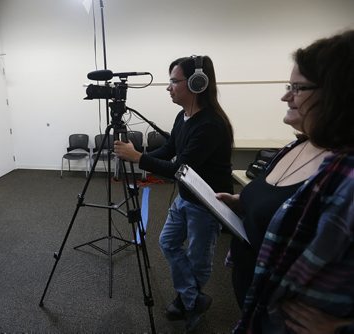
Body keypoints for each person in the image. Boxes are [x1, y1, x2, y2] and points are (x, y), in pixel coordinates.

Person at [219, 30, 354, 333]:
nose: (285, 96)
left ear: (337, 94)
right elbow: (285, 205)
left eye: (297, 88)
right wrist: (245, 204)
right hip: (259, 306)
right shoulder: (298, 145)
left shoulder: (347, 175)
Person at [114, 55, 234, 331]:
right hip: (187, 196)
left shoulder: (210, 125)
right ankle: (194, 299)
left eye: (173, 81)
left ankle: (188, 302)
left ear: (196, 83)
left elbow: (179, 168)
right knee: (168, 242)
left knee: (198, 259)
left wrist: (137, 159)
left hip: (208, 202)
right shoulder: (184, 116)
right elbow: (169, 151)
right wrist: (140, 156)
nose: (169, 87)